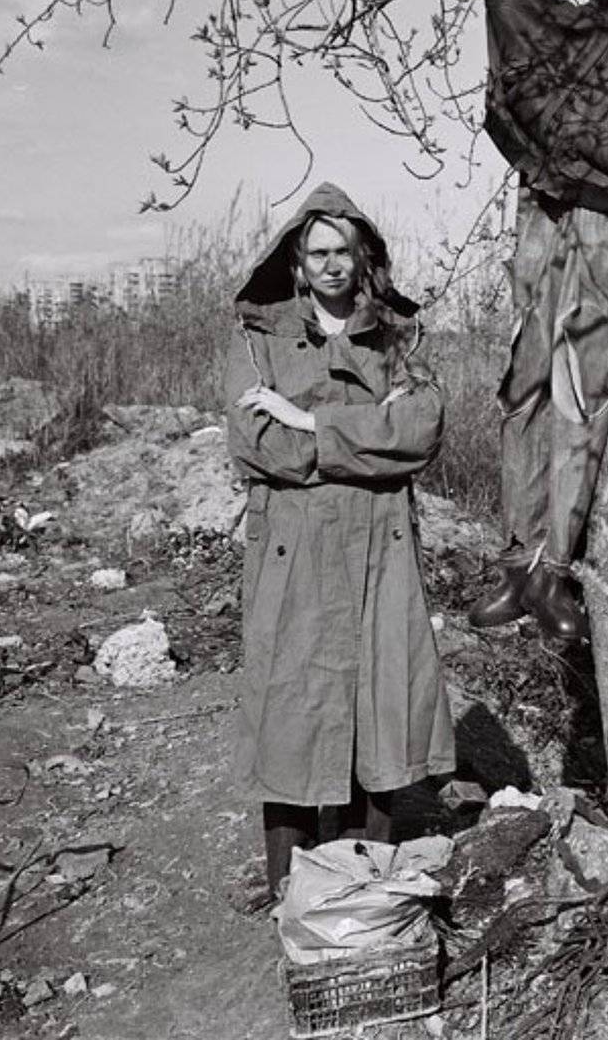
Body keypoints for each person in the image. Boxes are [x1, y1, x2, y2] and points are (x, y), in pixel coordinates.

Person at [225, 182, 453, 898]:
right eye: (317, 252)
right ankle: (292, 891)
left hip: (380, 549)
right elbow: (257, 446)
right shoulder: (256, 335)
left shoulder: (397, 335)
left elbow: (420, 432)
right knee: (294, 709)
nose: (331, 265)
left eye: (343, 252)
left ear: (362, 258)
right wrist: (358, 432)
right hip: (291, 552)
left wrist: (305, 417)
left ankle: (362, 888)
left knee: (380, 705)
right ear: (297, 261)